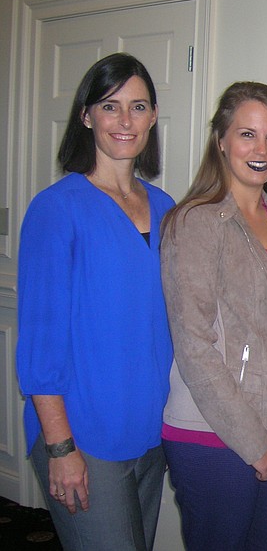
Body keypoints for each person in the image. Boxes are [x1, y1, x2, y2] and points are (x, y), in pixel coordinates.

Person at [16, 53, 174, 550]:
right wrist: (61, 447)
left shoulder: (167, 208)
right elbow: (41, 343)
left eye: (139, 106)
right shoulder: (56, 209)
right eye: (110, 106)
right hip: (84, 434)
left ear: (152, 116)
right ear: (86, 116)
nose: (125, 121)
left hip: (152, 431)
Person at [160, 82, 267, 551]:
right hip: (214, 433)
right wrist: (255, 443)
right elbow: (193, 346)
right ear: (221, 141)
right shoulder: (195, 222)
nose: (260, 149)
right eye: (246, 134)